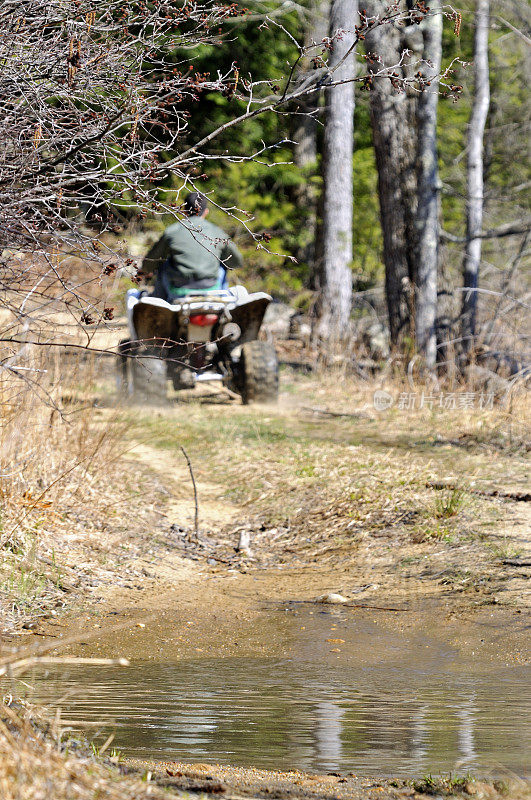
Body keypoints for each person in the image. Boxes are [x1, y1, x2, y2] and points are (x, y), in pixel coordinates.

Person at [142, 192, 243, 300]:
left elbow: (149, 263)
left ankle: (158, 300)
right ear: (206, 212)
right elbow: (237, 261)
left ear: (184, 210)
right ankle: (223, 300)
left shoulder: (172, 231)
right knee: (222, 266)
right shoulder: (217, 232)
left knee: (164, 263)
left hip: (178, 290)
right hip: (212, 288)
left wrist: (145, 271)